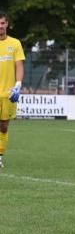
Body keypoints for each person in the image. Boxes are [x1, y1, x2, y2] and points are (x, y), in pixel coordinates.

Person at [0, 11, 25, 168]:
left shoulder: (15, 43)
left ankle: (0, 155)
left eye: (2, 23)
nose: (0, 27)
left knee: (3, 127)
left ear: (7, 24)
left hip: (8, 93)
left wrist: (18, 85)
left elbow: (19, 65)